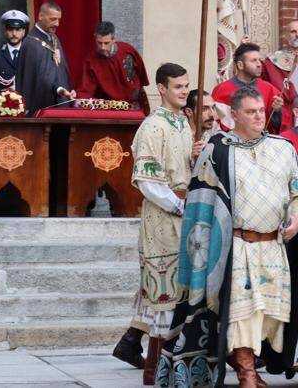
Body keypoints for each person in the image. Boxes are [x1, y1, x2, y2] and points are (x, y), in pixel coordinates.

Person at [158, 87, 298, 388]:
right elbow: (201, 204)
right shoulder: (217, 149)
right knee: (243, 315)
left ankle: (246, 363)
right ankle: (247, 373)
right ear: (234, 115)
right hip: (237, 246)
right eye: (250, 112)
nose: (259, 117)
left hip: (275, 247)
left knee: (270, 317)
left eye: (261, 111)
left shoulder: (284, 148)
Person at [113, 63, 199, 383]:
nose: (183, 91)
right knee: (163, 293)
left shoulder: (182, 123)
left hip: (184, 215)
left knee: (179, 293)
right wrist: (178, 205)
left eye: (186, 86)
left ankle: (172, 364)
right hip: (163, 217)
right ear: (161, 88)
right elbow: (148, 180)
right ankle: (153, 369)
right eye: (178, 86)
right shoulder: (152, 127)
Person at [14, 1, 74, 116]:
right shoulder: (31, 44)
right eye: (53, 19)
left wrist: (67, 91)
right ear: (41, 16)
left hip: (60, 105)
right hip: (41, 110)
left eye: (59, 20)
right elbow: (34, 81)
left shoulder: (54, 38)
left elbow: (61, 71)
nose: (57, 24)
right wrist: (58, 89)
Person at [79, 21, 150, 113]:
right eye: (99, 43)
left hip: (134, 105)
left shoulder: (128, 51)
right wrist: (78, 98)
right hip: (110, 108)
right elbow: (86, 88)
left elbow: (141, 72)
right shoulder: (91, 60)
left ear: (113, 39)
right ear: (95, 37)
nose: (103, 47)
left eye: (106, 43)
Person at [212, 43, 284, 133]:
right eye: (254, 61)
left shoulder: (269, 89)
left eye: (259, 60)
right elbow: (214, 123)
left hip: (260, 142)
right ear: (240, 65)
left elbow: (277, 125)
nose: (259, 64)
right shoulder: (221, 90)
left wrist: (277, 111)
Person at [260, 20, 298, 128]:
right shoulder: (272, 61)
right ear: (286, 35)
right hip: (284, 114)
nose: (297, 35)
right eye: (293, 31)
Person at [0, 10, 29, 91]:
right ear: (5, 31)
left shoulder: (30, 54)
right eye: (10, 29)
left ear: (23, 32)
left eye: (18, 30)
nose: (14, 33)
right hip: (3, 101)